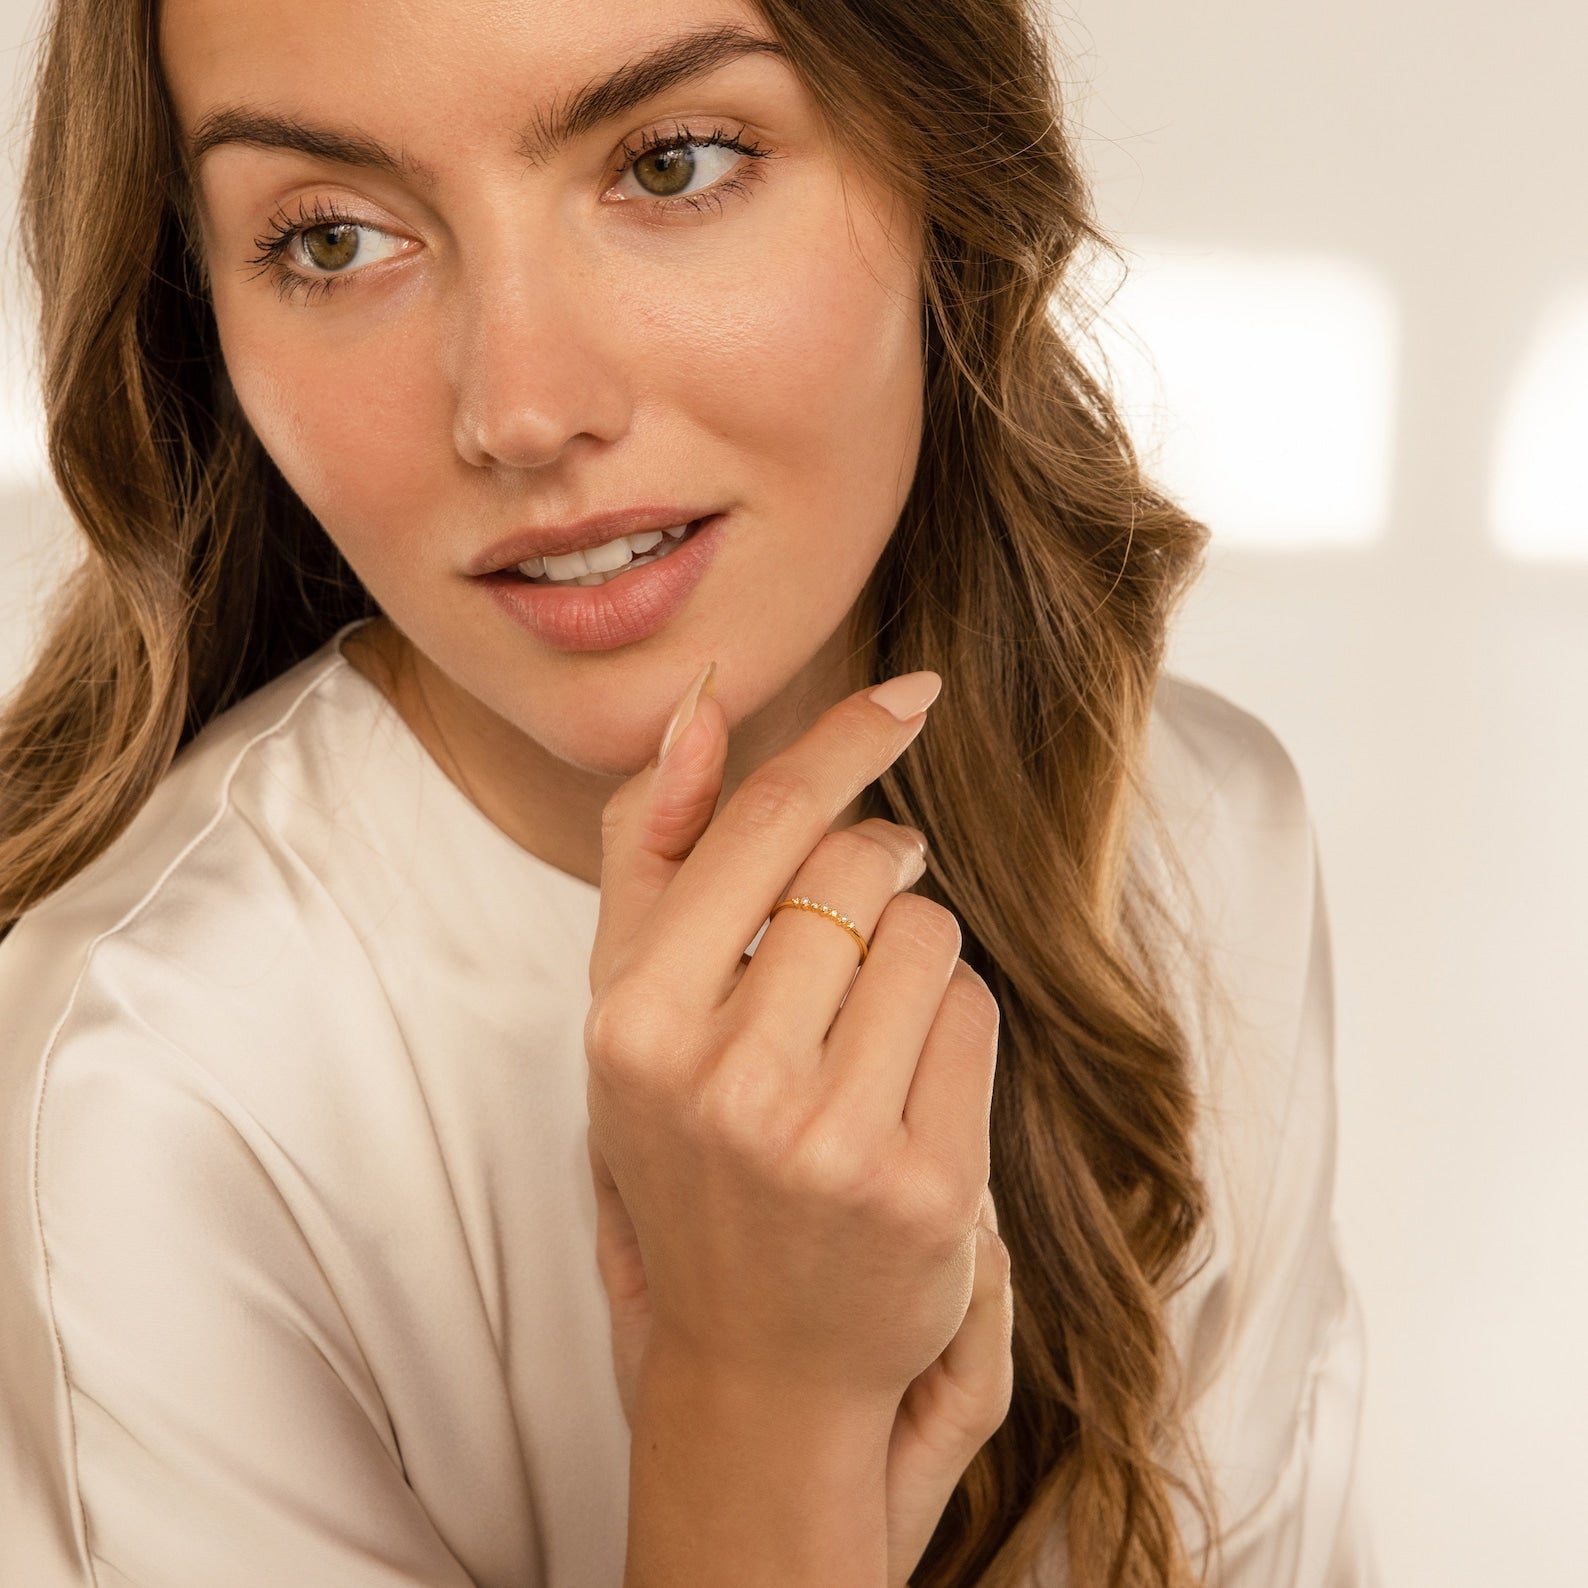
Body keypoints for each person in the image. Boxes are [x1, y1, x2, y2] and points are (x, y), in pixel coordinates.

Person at [0, 0, 1378, 1583]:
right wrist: (758, 1412)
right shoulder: (143, 1089)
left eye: (673, 163)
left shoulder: (1199, 838)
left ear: (947, 163)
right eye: (331, 241)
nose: (522, 411)